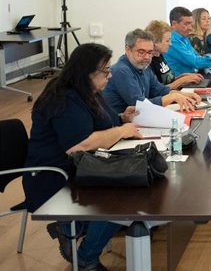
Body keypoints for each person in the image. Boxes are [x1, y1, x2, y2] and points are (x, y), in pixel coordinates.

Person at [23, 43, 142, 270]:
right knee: (123, 192)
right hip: (54, 176)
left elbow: (99, 123)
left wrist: (121, 119)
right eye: (105, 70)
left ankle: (79, 228)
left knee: (132, 180)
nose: (110, 74)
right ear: (86, 72)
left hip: (81, 165)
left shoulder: (87, 91)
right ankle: (86, 257)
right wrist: (120, 131)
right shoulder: (65, 98)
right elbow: (79, 145)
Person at [102, 29, 200, 115]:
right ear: (128, 50)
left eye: (150, 52)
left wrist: (183, 95)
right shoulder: (121, 70)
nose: (146, 57)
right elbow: (140, 105)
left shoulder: (143, 66)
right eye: (141, 52)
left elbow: (160, 90)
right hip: (121, 127)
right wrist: (172, 97)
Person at [165, 6, 211, 76]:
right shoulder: (173, 41)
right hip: (183, 83)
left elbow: (198, 57)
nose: (190, 28)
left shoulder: (183, 38)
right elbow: (196, 62)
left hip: (193, 77)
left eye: (191, 23)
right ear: (174, 23)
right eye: (187, 24)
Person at [145, 20, 203, 89]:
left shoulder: (160, 55)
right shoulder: (148, 63)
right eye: (167, 41)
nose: (170, 44)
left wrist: (183, 76)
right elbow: (159, 90)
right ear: (155, 42)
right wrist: (183, 80)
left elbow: (168, 81)